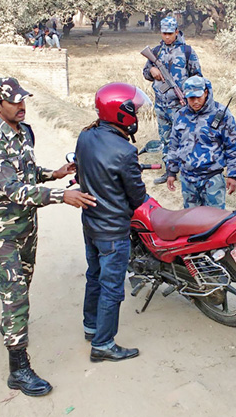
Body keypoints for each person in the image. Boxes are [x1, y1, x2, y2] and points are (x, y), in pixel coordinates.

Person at [0, 77, 96, 396]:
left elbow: (25, 172)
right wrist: (60, 195)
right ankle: (18, 367)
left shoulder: (24, 131)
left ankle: (11, 322)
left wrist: (52, 173)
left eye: (22, 99)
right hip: (2, 228)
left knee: (23, 283)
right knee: (15, 289)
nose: (21, 106)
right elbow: (13, 189)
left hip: (26, 222)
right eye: (13, 102)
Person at [75, 83, 149, 362]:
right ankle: (103, 344)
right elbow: (138, 197)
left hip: (91, 225)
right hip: (113, 232)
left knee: (94, 276)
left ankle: (91, 326)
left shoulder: (85, 136)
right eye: (135, 110)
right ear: (122, 113)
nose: (138, 114)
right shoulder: (125, 151)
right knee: (112, 287)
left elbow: (84, 173)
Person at [142, 15, 202, 185]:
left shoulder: (187, 51)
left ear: (177, 31)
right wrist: (152, 71)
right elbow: (145, 73)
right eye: (164, 33)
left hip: (179, 105)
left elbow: (198, 77)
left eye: (170, 33)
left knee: (184, 138)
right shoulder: (156, 51)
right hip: (161, 105)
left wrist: (187, 93)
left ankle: (186, 173)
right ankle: (169, 172)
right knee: (165, 138)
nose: (167, 36)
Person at [165, 76, 236, 209]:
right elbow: (173, 145)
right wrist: (171, 172)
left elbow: (233, 147)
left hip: (212, 179)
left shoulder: (221, 114)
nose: (195, 102)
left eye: (198, 97)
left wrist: (232, 175)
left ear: (206, 92)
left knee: (215, 222)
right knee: (192, 222)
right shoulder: (180, 116)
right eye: (191, 98)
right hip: (188, 180)